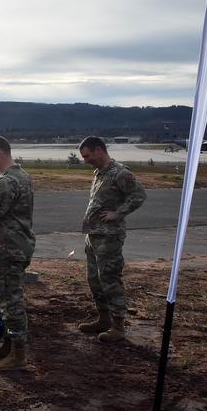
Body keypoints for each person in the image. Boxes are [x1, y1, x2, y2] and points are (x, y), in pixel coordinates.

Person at [77, 136, 146, 342]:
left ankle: (118, 326)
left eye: (87, 156)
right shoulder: (99, 173)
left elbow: (139, 195)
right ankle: (104, 318)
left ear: (99, 150)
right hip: (94, 235)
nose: (86, 160)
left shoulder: (120, 173)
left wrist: (118, 213)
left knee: (109, 279)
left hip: (109, 236)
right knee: (94, 280)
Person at [0, 136, 35, 371]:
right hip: (16, 245)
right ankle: (10, 346)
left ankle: (18, 355)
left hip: (7, 249)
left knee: (10, 302)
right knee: (10, 298)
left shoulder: (6, 182)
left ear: (1, 152)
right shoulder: (23, 176)